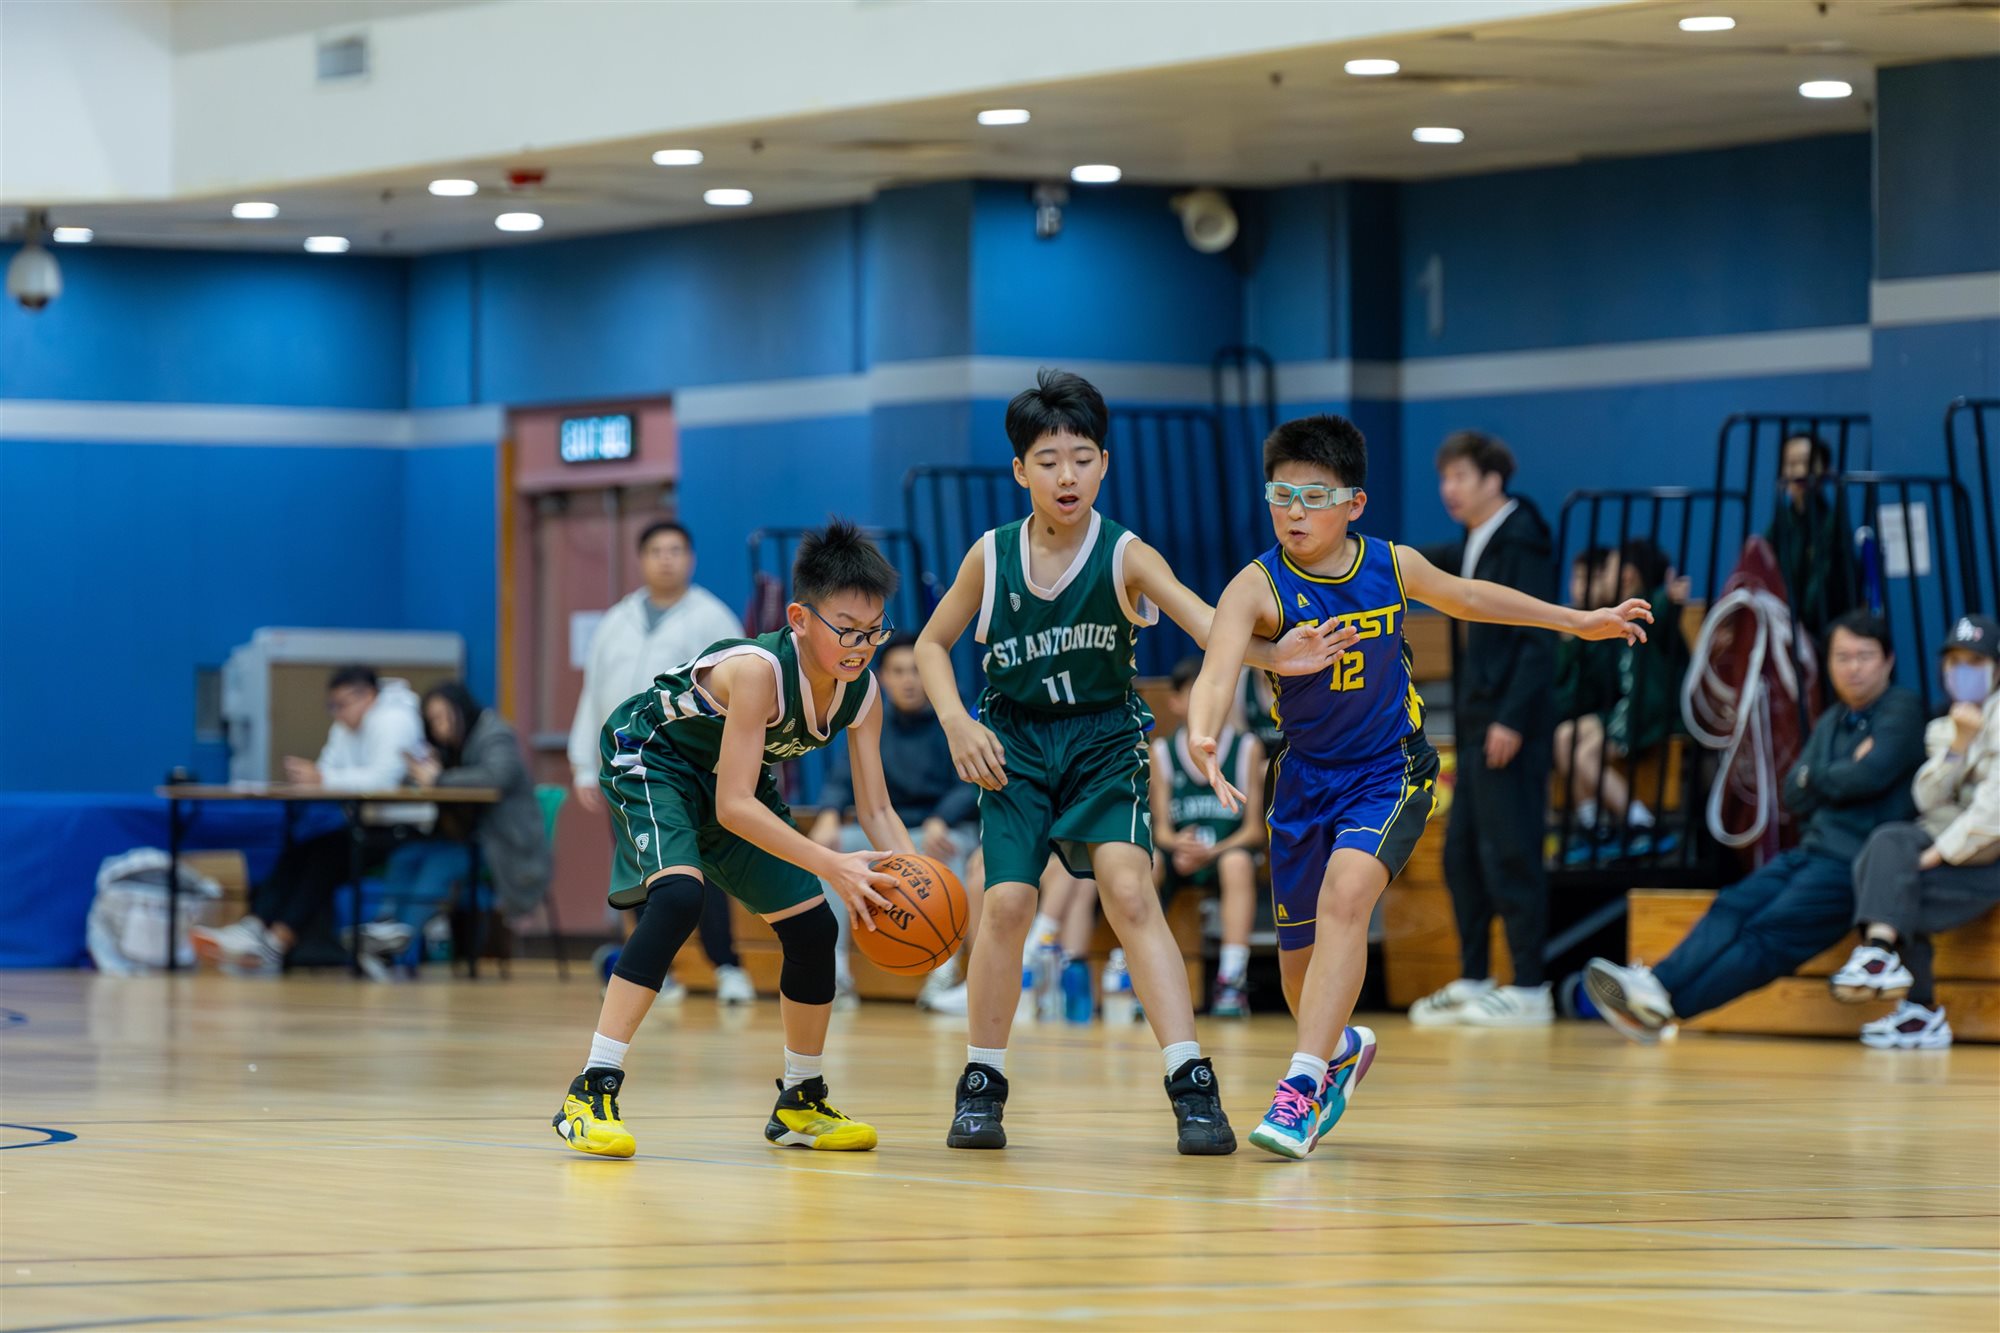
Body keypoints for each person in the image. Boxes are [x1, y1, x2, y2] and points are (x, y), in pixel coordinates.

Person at [1184, 413, 1651, 1160]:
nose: (1295, 512)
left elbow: (1471, 597)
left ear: (1355, 503)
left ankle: (1299, 1089)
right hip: (1302, 781)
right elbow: (1215, 671)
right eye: (1281, 495)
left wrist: (1576, 620)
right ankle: (1337, 1048)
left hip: (1388, 770)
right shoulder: (1256, 585)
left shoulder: (1392, 565)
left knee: (1347, 896)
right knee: (1301, 973)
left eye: (1314, 496)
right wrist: (1202, 732)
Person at [914, 369, 1346, 1156]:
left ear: (1104, 464)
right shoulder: (991, 555)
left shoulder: (1125, 553)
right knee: (1004, 903)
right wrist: (953, 720)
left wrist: (1274, 653)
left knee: (1128, 889)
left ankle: (1190, 1079)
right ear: (1020, 470)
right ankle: (982, 1080)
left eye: (1082, 458)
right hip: (1015, 744)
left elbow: (1208, 625)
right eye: (1049, 460)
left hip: (1104, 742)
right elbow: (930, 645)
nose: (1067, 475)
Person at [552, 520, 910, 1159]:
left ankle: (800, 1099)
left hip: (730, 779)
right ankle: (590, 1091)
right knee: (678, 897)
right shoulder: (756, 672)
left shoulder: (863, 694)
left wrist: (912, 877)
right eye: (846, 630)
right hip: (653, 760)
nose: (861, 646)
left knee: (812, 927)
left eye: (873, 631)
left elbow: (876, 806)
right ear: (799, 618)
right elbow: (736, 807)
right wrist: (835, 864)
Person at [1586, 611, 1927, 1043]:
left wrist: (1818, 776)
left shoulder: (1902, 709)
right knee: (1732, 904)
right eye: (1842, 657)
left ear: (1888, 660)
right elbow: (1793, 791)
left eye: (1864, 656)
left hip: (1853, 864)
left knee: (1767, 934)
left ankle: (1665, 1009)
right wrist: (1832, 775)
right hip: (1810, 853)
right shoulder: (1832, 719)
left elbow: (1869, 776)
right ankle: (1654, 985)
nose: (1853, 667)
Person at [568, 519, 755, 1005]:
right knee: (639, 872)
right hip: (627, 766)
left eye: (675, 550)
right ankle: (658, 974)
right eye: (656, 550)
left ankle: (727, 966)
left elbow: (746, 695)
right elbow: (592, 693)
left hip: (690, 767)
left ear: (690, 558)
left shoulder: (713, 618)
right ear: (642, 559)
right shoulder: (616, 620)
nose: (666, 559)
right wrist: (585, 765)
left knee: (702, 871)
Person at [1409, 430, 1560, 1028]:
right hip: (1476, 726)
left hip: (1509, 726)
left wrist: (1511, 719)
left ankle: (1530, 987)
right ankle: (1475, 977)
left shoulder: (1522, 540)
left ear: (1493, 480)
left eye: (1460, 477)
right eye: (1443, 478)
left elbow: (1539, 639)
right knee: (1463, 855)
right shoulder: (1473, 541)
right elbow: (1414, 564)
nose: (1448, 489)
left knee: (1512, 852)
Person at [1831, 614, 2000, 1049]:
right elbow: (1928, 798)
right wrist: (1959, 744)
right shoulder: (1946, 725)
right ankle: (1916, 1006)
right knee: (1887, 862)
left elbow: (1992, 813)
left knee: (1893, 860)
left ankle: (1881, 958)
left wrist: (1934, 855)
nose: (1963, 672)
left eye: (1975, 663)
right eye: (1954, 662)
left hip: (1989, 854)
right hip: (1962, 852)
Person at [191, 666, 429, 972]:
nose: (338, 713)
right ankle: (255, 927)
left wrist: (324, 778)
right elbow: (326, 770)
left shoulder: (395, 720)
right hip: (364, 825)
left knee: (326, 857)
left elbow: (384, 781)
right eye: (333, 706)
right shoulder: (344, 727)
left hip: (403, 829)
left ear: (368, 696)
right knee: (301, 850)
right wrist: (310, 779)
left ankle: (277, 943)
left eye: (342, 704)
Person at [808, 632, 984, 1014]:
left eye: (917, 671)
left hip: (945, 829)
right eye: (899, 671)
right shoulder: (873, 720)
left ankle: (944, 969)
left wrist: (942, 817)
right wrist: (829, 814)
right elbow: (843, 777)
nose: (909, 680)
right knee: (833, 850)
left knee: (946, 849)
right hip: (887, 831)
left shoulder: (954, 719)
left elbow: (973, 782)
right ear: (883, 678)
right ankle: (834, 971)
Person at [350, 683, 552, 977]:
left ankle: (398, 950)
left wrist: (440, 778)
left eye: (444, 716)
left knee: (439, 864)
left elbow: (498, 776)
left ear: (461, 710)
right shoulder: (451, 747)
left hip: (506, 845)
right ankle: (384, 928)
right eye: (432, 720)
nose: (439, 726)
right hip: (469, 840)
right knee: (406, 856)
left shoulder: (494, 732)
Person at [1551, 539, 1692, 861]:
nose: (1602, 577)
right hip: (1622, 709)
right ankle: (1593, 829)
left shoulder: (1644, 613)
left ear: (1627, 575)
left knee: (1585, 755)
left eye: (1608, 570)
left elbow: (1660, 612)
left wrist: (1669, 598)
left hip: (1648, 712)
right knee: (1564, 736)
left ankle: (1643, 824)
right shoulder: (1612, 621)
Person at [1151, 656, 1265, 1017]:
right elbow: (1160, 830)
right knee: (1146, 863)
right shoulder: (1162, 752)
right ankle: (1139, 972)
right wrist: (1177, 844)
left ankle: (1231, 980)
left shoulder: (1246, 747)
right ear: (1176, 702)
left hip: (1225, 853)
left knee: (1236, 864)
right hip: (1179, 856)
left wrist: (1211, 851)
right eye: (1193, 693)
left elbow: (1254, 830)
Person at [1765, 432, 1856, 649]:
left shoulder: (1832, 524)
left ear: (1824, 470)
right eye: (1790, 463)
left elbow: (1824, 591)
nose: (1797, 471)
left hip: (1824, 635)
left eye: (1805, 463)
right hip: (1784, 634)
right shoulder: (1779, 525)